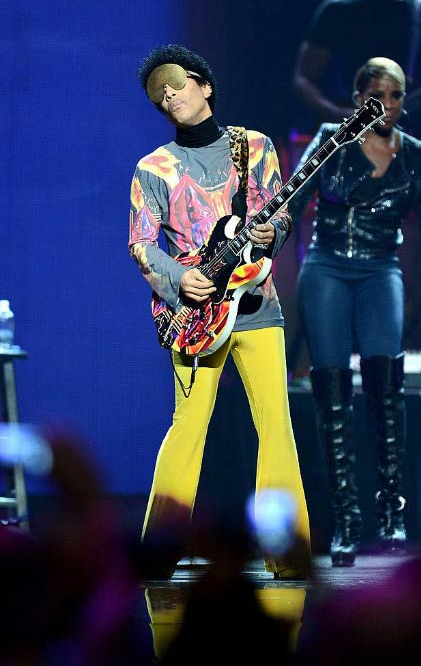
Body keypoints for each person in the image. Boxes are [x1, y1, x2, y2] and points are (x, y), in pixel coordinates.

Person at [128, 44, 312, 580]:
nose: (169, 95)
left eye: (176, 84)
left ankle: (287, 550)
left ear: (205, 86)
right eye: (159, 93)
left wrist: (270, 231)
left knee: (276, 426)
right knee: (188, 426)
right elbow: (142, 243)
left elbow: (280, 213)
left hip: (258, 304)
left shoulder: (255, 148)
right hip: (194, 313)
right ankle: (159, 548)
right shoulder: (153, 168)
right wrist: (177, 278)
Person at [288, 57, 421, 567]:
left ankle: (392, 513)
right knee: (332, 394)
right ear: (359, 98)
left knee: (386, 388)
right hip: (329, 266)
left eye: (397, 97)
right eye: (377, 97)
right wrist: (268, 239)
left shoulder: (416, 154)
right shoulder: (332, 139)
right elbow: (294, 193)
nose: (388, 106)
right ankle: (345, 520)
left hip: (381, 269)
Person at [292, 0, 421, 358]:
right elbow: (304, 78)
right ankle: (327, 352)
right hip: (356, 143)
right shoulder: (340, 8)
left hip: (418, 140)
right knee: (343, 232)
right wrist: (342, 116)